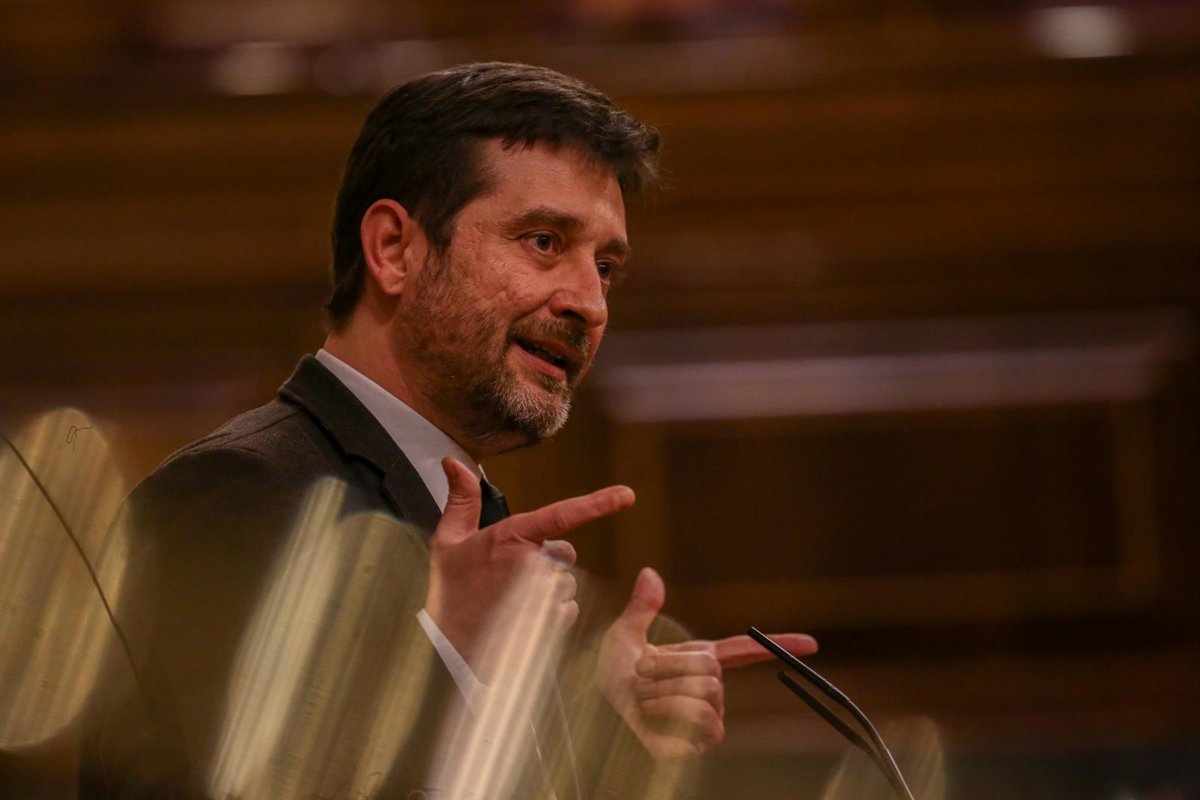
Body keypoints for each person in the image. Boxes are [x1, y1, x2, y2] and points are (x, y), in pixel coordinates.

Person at [81, 62, 816, 800]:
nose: (590, 303)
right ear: (394, 249)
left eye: (605, 267)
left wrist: (599, 737)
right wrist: (446, 649)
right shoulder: (230, 499)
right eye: (543, 241)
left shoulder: (464, 526)